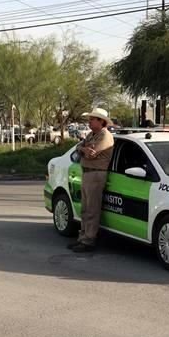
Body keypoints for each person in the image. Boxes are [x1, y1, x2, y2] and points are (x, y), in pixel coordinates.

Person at [68, 108, 115, 253]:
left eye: (92, 119)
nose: (89, 122)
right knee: (85, 209)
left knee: (92, 209)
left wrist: (82, 150)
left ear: (101, 121)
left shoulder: (105, 136)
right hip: (87, 173)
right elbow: (80, 148)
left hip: (96, 174)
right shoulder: (92, 134)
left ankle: (89, 240)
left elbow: (91, 154)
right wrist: (83, 149)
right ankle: (82, 238)